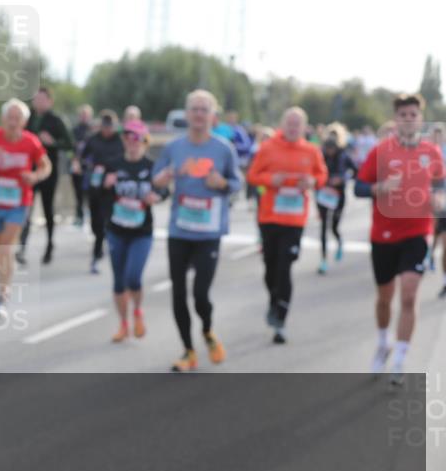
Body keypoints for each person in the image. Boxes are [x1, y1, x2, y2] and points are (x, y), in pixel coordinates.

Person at [355, 94, 445, 385]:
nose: (408, 119)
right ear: (396, 119)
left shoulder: (432, 153)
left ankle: (400, 359)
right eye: (403, 114)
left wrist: (439, 201)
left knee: (409, 294)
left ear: (420, 118)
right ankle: (383, 342)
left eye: (413, 114)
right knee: (385, 299)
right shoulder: (381, 151)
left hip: (417, 233)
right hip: (382, 235)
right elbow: (358, 186)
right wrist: (379, 187)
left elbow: (440, 186)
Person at [152, 89, 242, 371]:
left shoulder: (223, 148)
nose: (199, 114)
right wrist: (162, 179)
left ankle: (207, 330)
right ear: (187, 114)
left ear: (213, 116)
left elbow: (238, 183)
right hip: (179, 230)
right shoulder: (174, 148)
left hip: (209, 232)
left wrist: (223, 184)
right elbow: (156, 180)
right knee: (178, 293)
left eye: (204, 110)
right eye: (194, 109)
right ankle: (188, 350)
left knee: (201, 294)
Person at [246, 107, 328, 344]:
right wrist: (271, 180)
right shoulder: (268, 147)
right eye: (289, 123)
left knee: (285, 266)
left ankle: (281, 318)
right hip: (270, 217)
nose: (293, 127)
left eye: (297, 124)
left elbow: (321, 177)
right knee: (270, 267)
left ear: (304, 127)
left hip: (294, 219)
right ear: (282, 124)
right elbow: (252, 176)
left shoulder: (311, 151)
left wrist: (312, 181)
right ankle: (274, 299)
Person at [0, 98, 51, 319]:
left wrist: (34, 176)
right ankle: (2, 286)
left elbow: (46, 166)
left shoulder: (31, 142)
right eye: (10, 118)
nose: (13, 122)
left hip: (19, 202)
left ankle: (2, 296)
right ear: (3, 119)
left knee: (5, 247)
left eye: (18, 118)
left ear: (24, 121)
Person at [104, 120, 166, 342]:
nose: (132, 143)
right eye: (128, 138)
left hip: (142, 231)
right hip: (116, 229)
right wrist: (104, 184)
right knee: (119, 281)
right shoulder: (113, 164)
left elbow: (164, 190)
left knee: (133, 277)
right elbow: (93, 189)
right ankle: (123, 324)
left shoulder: (152, 166)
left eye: (137, 139)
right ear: (123, 141)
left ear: (145, 142)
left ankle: (138, 311)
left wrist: (156, 197)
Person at [16, 87, 70, 265]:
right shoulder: (26, 118)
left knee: (48, 209)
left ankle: (49, 245)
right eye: (36, 99)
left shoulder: (56, 121)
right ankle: (22, 247)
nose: (38, 102)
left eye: (42, 99)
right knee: (26, 209)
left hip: (48, 171)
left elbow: (70, 144)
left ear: (49, 101)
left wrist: (53, 142)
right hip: (29, 171)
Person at [81, 111, 124, 273]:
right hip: (95, 184)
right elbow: (83, 157)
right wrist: (88, 167)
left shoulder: (120, 141)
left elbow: (125, 161)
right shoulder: (93, 139)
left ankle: (98, 251)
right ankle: (99, 236)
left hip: (113, 186)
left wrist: (115, 174)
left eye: (110, 127)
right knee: (95, 220)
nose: (107, 130)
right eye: (104, 127)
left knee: (108, 218)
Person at [316, 123, 355, 274]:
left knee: (334, 227)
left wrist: (343, 178)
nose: (330, 150)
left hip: (338, 195)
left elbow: (356, 171)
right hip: (324, 195)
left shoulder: (344, 155)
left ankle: (339, 242)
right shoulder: (321, 154)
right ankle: (323, 259)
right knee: (323, 227)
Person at [69, 104, 94, 227]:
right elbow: (70, 149)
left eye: (86, 115)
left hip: (89, 166)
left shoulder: (93, 131)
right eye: (82, 115)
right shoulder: (74, 131)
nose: (84, 117)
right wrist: (74, 161)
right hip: (76, 165)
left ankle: (89, 214)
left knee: (89, 193)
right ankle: (79, 215)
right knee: (78, 192)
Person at [429, 123, 446, 297]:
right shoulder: (425, 153)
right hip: (429, 201)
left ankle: (444, 282)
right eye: (435, 135)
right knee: (433, 234)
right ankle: (430, 255)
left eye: (440, 135)